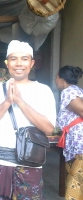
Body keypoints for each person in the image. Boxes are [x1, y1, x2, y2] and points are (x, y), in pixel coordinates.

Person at [0, 40, 56, 199]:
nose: (19, 63)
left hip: (29, 163)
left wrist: (20, 101)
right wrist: (7, 102)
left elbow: (48, 128)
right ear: (7, 63)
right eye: (13, 58)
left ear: (32, 63)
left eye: (24, 58)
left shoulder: (43, 91)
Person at [55, 65, 83, 199]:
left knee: (76, 181)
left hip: (80, 143)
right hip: (76, 142)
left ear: (61, 80)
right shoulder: (76, 90)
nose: (55, 80)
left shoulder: (68, 91)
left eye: (56, 77)